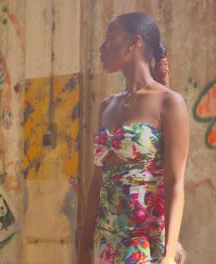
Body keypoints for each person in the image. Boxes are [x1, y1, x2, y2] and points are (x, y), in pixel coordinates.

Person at [78, 12, 189, 264]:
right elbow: (97, 181)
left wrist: (169, 256)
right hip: (107, 240)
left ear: (134, 42)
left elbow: (174, 182)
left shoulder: (169, 102)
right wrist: (84, 244)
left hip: (143, 241)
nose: (102, 48)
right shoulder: (107, 106)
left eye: (110, 38)